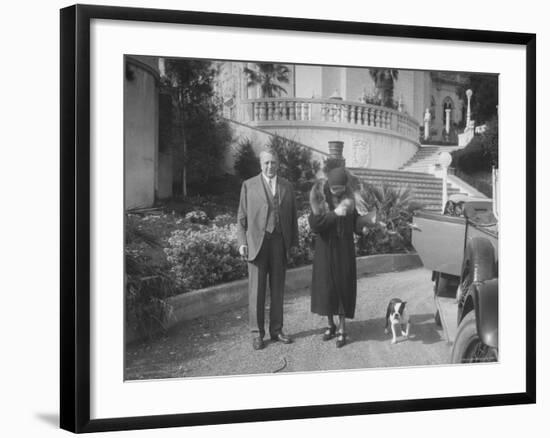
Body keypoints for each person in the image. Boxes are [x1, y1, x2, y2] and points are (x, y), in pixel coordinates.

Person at [237, 150, 299, 350]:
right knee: (257, 291)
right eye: (266, 163)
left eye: (273, 163)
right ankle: (257, 333)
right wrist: (242, 242)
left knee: (278, 289)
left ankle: (277, 330)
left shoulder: (287, 186)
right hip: (257, 244)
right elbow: (241, 218)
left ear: (278, 164)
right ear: (260, 164)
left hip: (279, 243)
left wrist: (293, 244)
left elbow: (292, 217)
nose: (270, 167)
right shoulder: (249, 185)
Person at [308, 166, 373, 348]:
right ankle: (330, 325)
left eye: (340, 188)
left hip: (344, 251)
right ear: (329, 184)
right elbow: (315, 224)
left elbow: (354, 223)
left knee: (343, 289)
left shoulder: (349, 199)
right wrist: (333, 214)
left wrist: (362, 228)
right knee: (328, 290)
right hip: (326, 251)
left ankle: (343, 329)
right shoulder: (319, 197)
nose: (337, 191)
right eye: (334, 188)